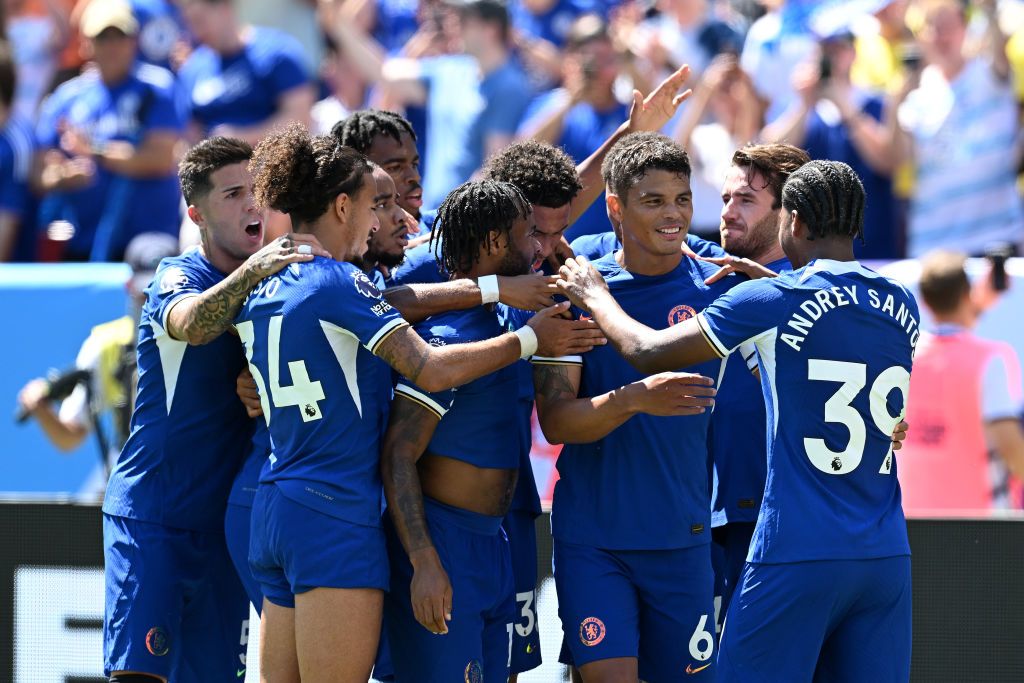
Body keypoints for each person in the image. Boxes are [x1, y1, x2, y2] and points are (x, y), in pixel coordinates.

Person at [236, 123, 575, 682]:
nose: (383, 222)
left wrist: (491, 292)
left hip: (277, 500)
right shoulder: (339, 283)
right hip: (334, 509)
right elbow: (431, 367)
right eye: (376, 205)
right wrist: (532, 338)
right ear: (343, 205)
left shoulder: (268, 284)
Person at [558, 159, 918, 682]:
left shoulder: (770, 299)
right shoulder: (899, 301)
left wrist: (595, 295)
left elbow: (645, 348)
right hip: (886, 555)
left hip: (795, 549)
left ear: (792, 222)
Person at [101, 136, 330, 683]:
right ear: (196, 214)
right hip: (155, 515)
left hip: (229, 528)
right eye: (233, 194)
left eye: (257, 191)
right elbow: (192, 323)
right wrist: (256, 271)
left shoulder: (281, 289)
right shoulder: (177, 277)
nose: (253, 205)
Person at [532, 132, 726, 681]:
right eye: (654, 200)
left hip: (683, 541)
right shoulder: (578, 295)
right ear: (615, 206)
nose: (674, 214)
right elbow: (556, 420)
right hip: (594, 541)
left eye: (682, 199)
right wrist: (635, 399)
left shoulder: (716, 293)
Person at [380, 180, 542, 681]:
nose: (538, 247)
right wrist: (425, 561)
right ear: (495, 242)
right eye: (528, 233)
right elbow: (398, 454)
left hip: (493, 544)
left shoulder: (497, 324)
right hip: (445, 547)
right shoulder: (449, 338)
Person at [330, 0, 533, 210]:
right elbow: (385, 75)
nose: (453, 25)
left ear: (490, 29)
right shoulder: (451, 70)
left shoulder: (509, 87)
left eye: (463, 20)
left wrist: (459, 218)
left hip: (467, 217)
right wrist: (338, 23)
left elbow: (493, 167)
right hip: (433, 212)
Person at [16, 233, 178, 478]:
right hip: (132, 477)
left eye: (162, 293)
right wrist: (40, 408)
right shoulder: (105, 344)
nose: (152, 304)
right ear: (129, 287)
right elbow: (70, 437)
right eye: (144, 293)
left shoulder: (207, 337)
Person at [32, 0, 184, 261]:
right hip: (81, 245)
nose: (113, 46)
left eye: (120, 36)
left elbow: (159, 159)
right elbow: (39, 172)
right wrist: (62, 176)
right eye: (103, 37)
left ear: (134, 41)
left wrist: (93, 151)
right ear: (85, 43)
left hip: (148, 244)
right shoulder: (66, 97)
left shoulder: (157, 88)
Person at [891, 0, 1022, 257]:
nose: (941, 35)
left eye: (949, 24)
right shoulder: (915, 90)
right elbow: (898, 159)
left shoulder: (990, 71)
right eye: (933, 26)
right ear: (922, 36)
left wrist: (988, 10)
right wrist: (894, 102)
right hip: (934, 248)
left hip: (997, 240)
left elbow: (996, 38)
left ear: (965, 27)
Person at [898, 250, 1024, 512]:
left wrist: (976, 304)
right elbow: (1011, 448)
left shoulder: (904, 354)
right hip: (980, 529)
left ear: (924, 299)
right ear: (967, 295)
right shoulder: (990, 360)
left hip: (911, 521)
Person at [761, 24, 899, 258]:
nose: (833, 57)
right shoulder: (804, 110)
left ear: (853, 53)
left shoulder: (875, 103)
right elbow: (769, 158)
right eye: (826, 49)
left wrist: (845, 107)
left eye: (840, 49)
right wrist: (804, 104)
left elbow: (887, 161)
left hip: (873, 242)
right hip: (814, 246)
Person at [176, 0, 315, 144]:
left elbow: (300, 119)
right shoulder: (192, 70)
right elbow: (188, 134)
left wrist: (242, 139)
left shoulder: (276, 53)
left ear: (225, 8)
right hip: (213, 163)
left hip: (270, 160)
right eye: (190, 23)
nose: (197, 32)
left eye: (200, 20)